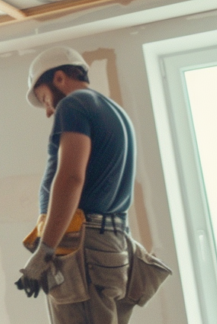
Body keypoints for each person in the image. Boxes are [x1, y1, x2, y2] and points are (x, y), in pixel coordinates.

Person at [20, 46, 139, 323]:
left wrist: (46, 249)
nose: (50, 111)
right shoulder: (114, 110)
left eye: (45, 98)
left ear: (59, 78)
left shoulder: (74, 104)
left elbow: (71, 177)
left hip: (83, 245)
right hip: (111, 240)